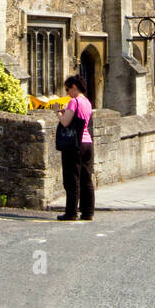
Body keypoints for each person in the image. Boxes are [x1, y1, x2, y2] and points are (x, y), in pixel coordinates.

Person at [56, 74, 95, 221]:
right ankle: (88, 212)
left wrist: (58, 112)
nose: (67, 93)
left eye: (67, 89)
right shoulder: (87, 102)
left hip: (74, 144)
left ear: (74, 87)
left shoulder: (74, 101)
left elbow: (65, 122)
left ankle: (71, 212)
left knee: (72, 179)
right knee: (86, 179)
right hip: (87, 143)